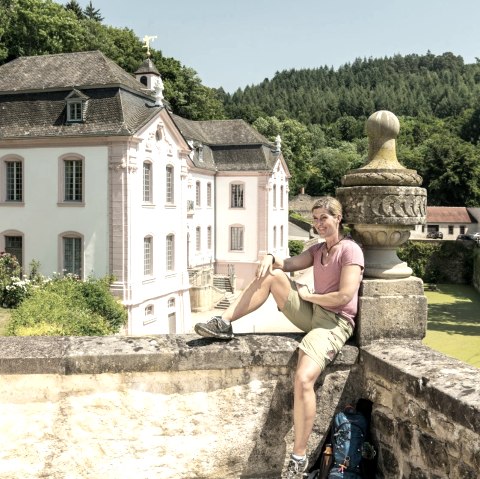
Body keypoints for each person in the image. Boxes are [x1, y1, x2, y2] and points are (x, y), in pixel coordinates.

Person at [194, 196, 364, 479]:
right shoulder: (318, 249)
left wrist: (309, 295)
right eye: (315, 218)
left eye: (324, 218)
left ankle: (298, 457)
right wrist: (271, 257)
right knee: (272, 274)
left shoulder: (350, 251)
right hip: (314, 312)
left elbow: (345, 295)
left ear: (339, 218)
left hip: (335, 322)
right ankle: (223, 322)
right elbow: (287, 264)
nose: (319, 223)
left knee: (303, 378)